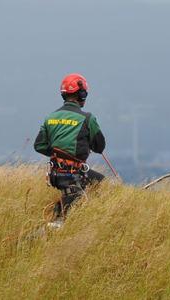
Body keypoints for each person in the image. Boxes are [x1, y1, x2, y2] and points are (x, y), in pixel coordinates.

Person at [34, 73, 106, 228]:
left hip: (55, 175)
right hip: (74, 174)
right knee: (102, 183)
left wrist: (57, 154)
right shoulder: (87, 118)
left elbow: (39, 145)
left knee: (71, 200)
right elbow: (100, 147)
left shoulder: (50, 118)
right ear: (82, 94)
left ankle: (59, 214)